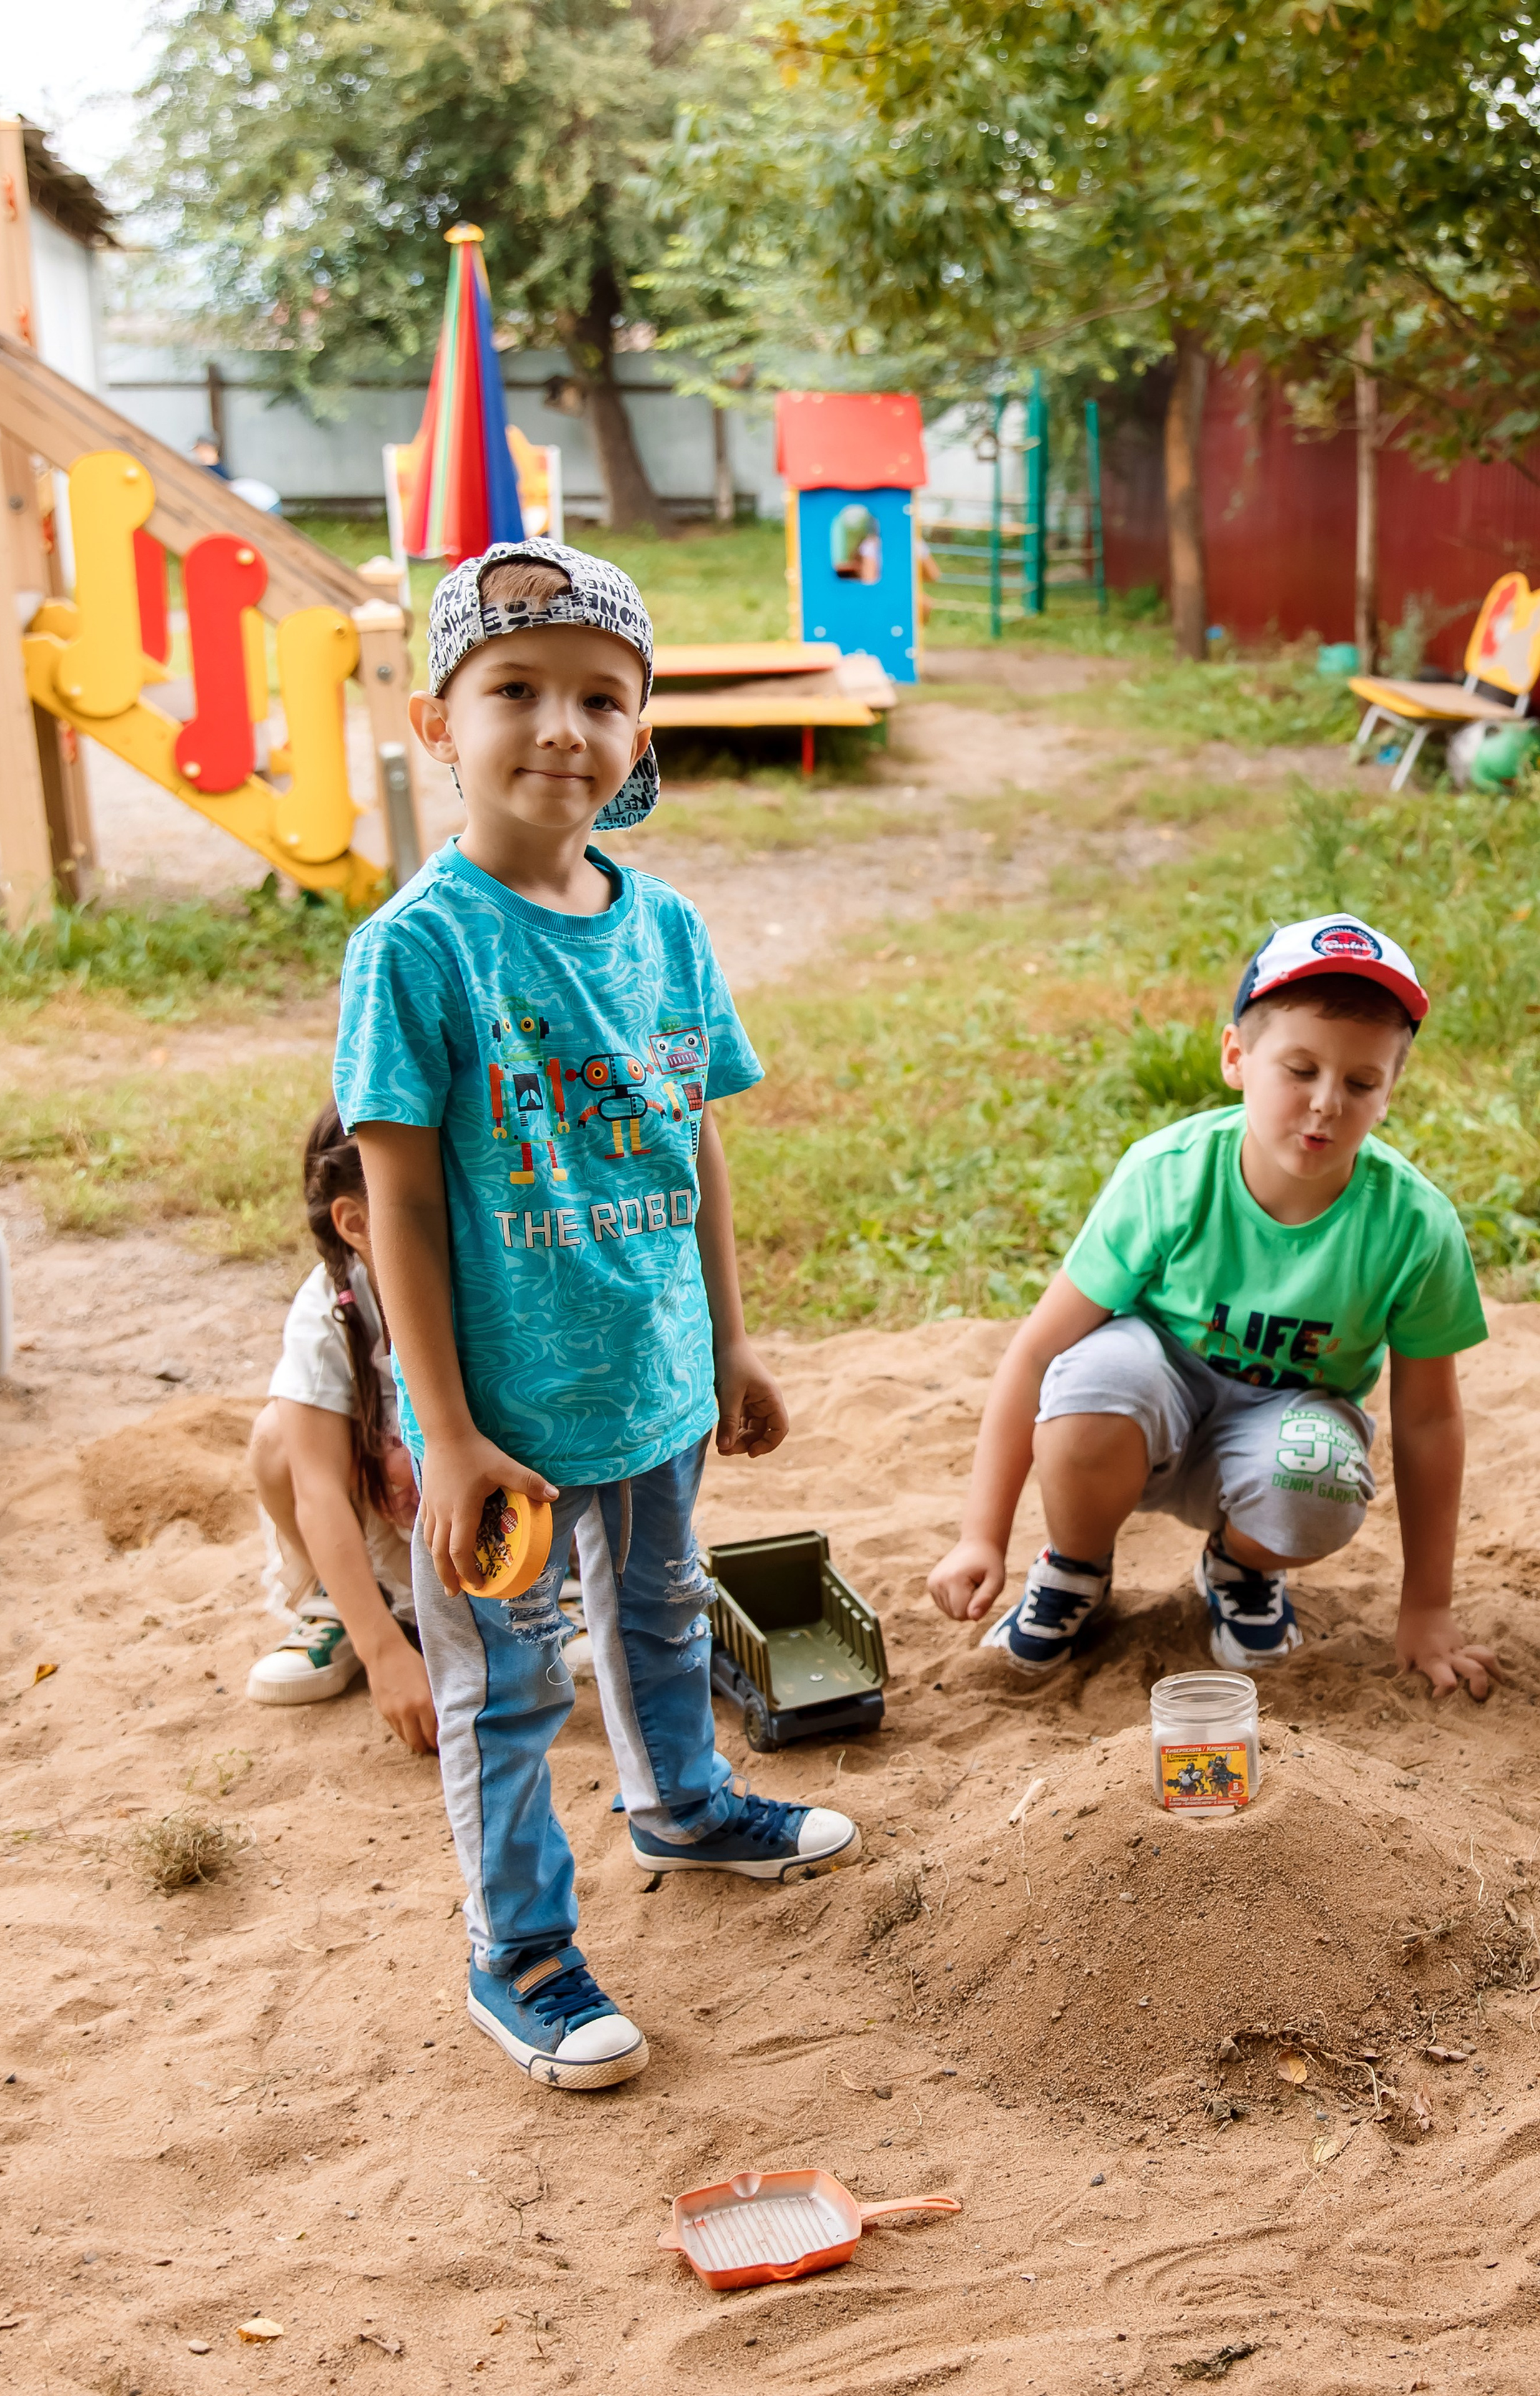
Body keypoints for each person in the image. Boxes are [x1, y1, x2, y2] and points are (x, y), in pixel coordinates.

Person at [334, 537, 860, 2092]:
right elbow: (405, 1210)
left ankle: (682, 1805)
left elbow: (693, 1129)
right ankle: (521, 1954)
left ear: (639, 735)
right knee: (509, 1685)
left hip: (650, 1374)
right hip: (497, 1422)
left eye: (599, 697)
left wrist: (729, 1335)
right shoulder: (416, 952)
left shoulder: (667, 930)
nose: (559, 726)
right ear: (438, 722)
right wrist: (445, 1431)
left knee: (658, 1614)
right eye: (515, 689)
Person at [929, 913, 1499, 1703]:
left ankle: (1239, 1566)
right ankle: (1075, 1566)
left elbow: (1431, 1417)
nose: (1326, 1103)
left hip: (1278, 1429)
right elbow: (1033, 1353)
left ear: (1389, 1091)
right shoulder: (1167, 1176)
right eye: (1298, 1069)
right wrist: (979, 1537)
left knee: (1324, 1475)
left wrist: (1426, 1606)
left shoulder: (1413, 1225)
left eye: (1361, 1082)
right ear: (1237, 1056)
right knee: (1095, 1377)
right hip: (1147, 1415)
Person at [246, 1101, 438, 1754]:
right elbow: (318, 1488)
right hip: (392, 1523)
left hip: (487, 1524)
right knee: (279, 1439)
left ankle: (561, 1596)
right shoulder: (329, 1308)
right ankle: (347, 1608)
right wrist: (384, 1655)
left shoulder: (489, 1280)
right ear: (356, 1222)